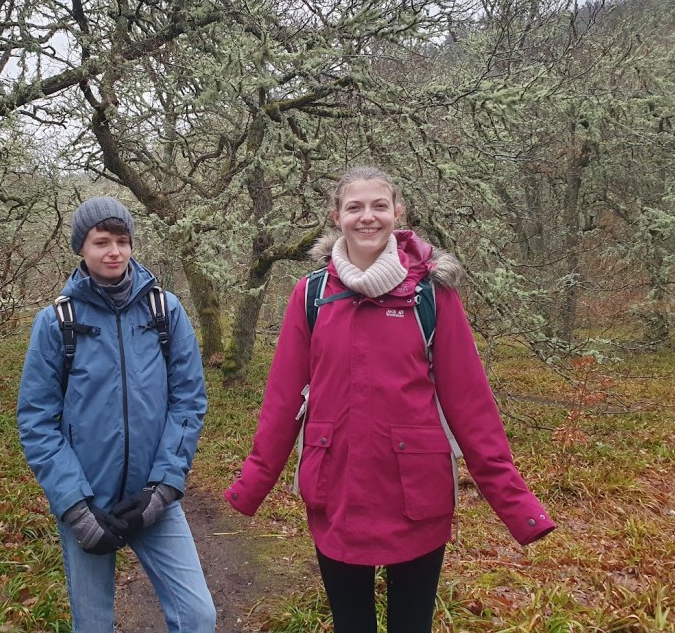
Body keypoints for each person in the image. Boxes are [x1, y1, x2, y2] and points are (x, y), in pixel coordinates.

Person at [223, 167, 556, 633]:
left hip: (415, 495)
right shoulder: (311, 295)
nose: (367, 217)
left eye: (379, 205)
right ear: (336, 215)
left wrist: (517, 505)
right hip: (335, 493)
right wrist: (252, 485)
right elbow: (281, 401)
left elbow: (471, 405)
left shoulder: (431, 295)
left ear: (397, 213)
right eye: (355, 207)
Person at [18, 196, 216, 633]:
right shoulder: (56, 322)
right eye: (101, 241)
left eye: (122, 241)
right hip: (86, 502)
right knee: (93, 626)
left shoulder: (165, 311)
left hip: (152, 498)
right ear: (81, 249)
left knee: (199, 616)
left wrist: (163, 489)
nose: (114, 251)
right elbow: (36, 421)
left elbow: (188, 402)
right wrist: (75, 508)